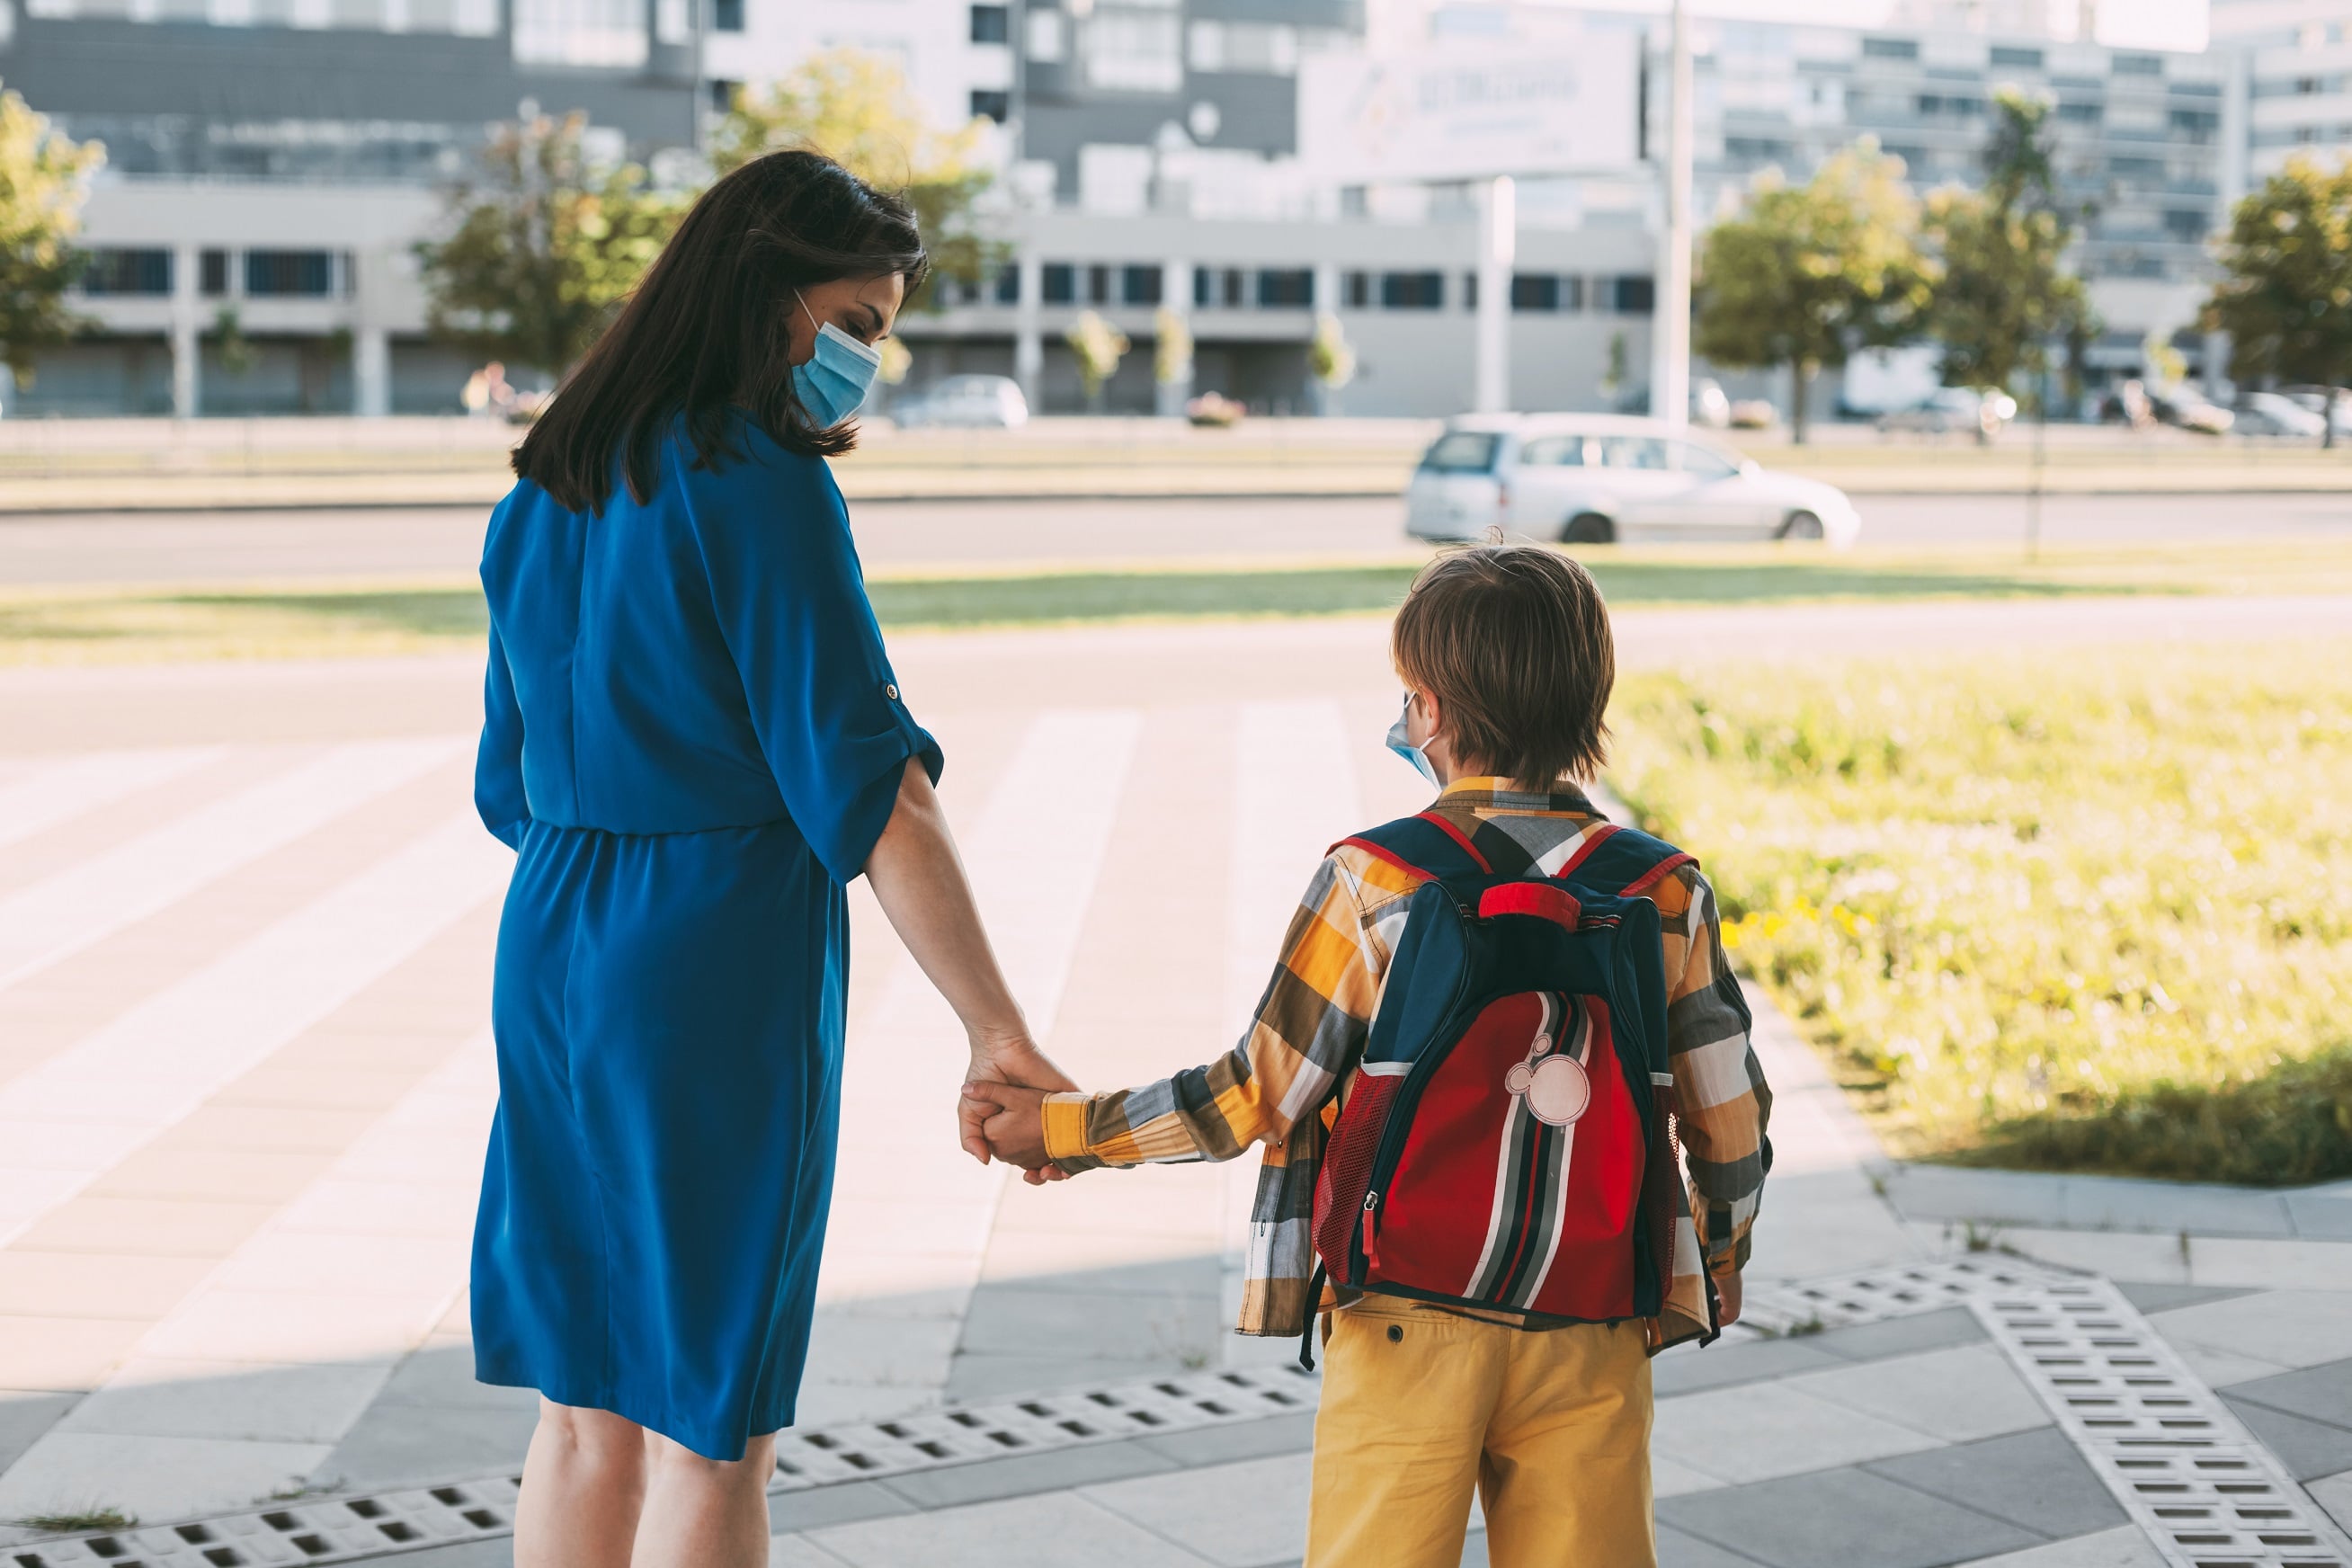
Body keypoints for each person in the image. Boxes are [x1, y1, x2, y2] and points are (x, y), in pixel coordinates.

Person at [470, 149, 1072, 1568]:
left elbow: (509, 786)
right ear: (768, 297)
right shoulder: (758, 482)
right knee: (714, 1429)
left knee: (583, 1410)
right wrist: (999, 1029)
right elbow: (876, 795)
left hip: (553, 939)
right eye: (857, 320)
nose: (872, 353)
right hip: (712, 953)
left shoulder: (545, 490)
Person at [966, 546, 1772, 1568]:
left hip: (1403, 1317)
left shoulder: (1375, 877)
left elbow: (1255, 1092)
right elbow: (1726, 1111)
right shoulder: (1662, 889)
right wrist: (1721, 1250)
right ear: (1588, 698)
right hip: (1592, 1311)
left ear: (1430, 711)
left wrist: (1070, 1127)